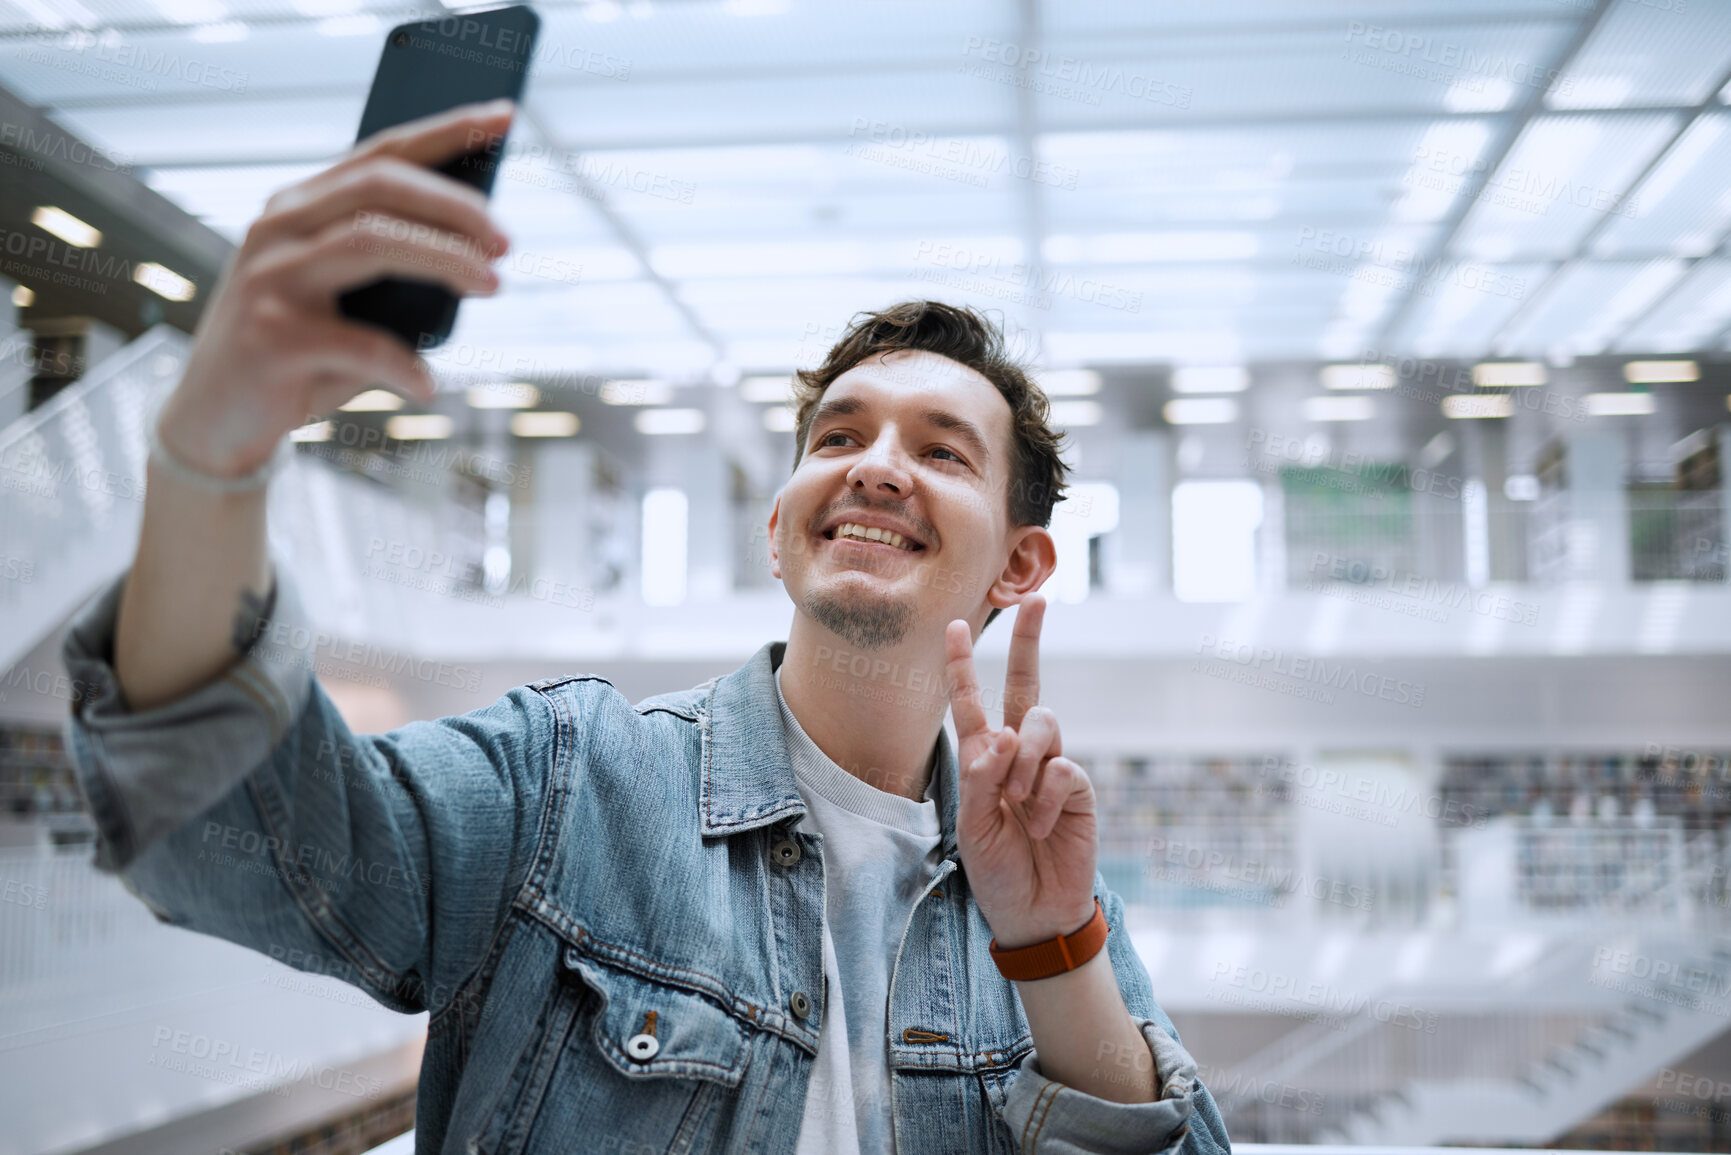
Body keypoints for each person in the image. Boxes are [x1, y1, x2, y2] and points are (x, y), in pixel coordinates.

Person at [61, 100, 1230, 1155]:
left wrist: (1050, 947)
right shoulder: (567, 785)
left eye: (939, 450)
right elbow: (231, 844)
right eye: (838, 437)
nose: (874, 469)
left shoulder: (1044, 886)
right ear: (782, 531)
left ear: (1019, 566)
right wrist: (207, 458)